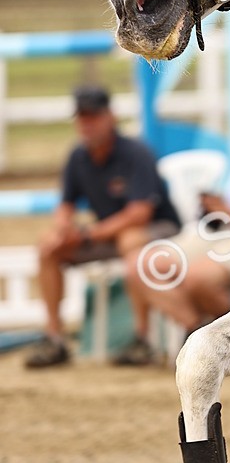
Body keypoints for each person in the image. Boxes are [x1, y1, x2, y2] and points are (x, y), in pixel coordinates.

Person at [121, 54, 230, 350]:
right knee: (140, 265)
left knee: (197, 278)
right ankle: (198, 333)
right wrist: (219, 204)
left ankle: (223, 342)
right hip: (223, 224)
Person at [25, 86, 181, 368]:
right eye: (82, 117)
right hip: (110, 233)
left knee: (130, 240)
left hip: (162, 228)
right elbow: (65, 204)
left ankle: (142, 338)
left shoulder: (136, 152)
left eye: (93, 116)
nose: (87, 123)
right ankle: (55, 337)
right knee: (49, 247)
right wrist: (62, 230)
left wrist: (85, 234)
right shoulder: (78, 157)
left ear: (110, 116)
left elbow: (140, 214)